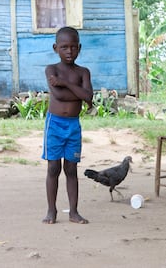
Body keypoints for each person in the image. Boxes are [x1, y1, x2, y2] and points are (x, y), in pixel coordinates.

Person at [42, 26, 93, 224]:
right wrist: (78, 92)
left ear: (79, 48)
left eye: (73, 47)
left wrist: (65, 83)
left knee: (71, 169)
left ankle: (73, 212)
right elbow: (59, 95)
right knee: (53, 167)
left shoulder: (83, 72)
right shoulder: (51, 69)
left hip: (73, 126)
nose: (69, 51)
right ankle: (51, 210)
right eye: (64, 47)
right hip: (54, 125)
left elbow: (89, 96)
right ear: (55, 48)